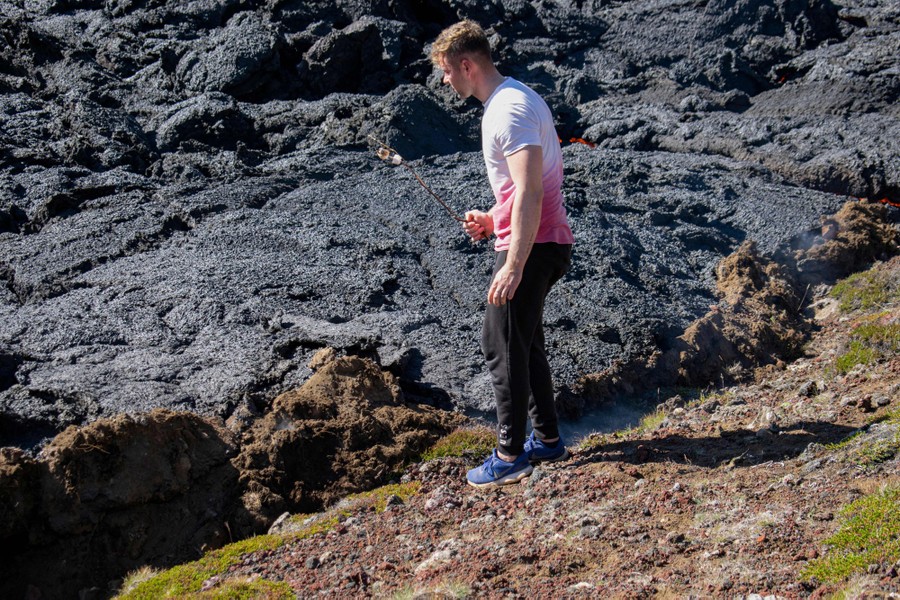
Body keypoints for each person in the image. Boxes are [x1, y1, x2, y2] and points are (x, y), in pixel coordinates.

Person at [429, 20, 575, 488]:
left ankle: (510, 454)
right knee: (525, 340)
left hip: (533, 245)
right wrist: (494, 219)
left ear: (466, 65)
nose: (445, 81)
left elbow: (533, 190)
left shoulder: (507, 110)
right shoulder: (514, 98)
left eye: (447, 72)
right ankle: (547, 439)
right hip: (536, 239)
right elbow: (520, 191)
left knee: (501, 343)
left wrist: (513, 262)